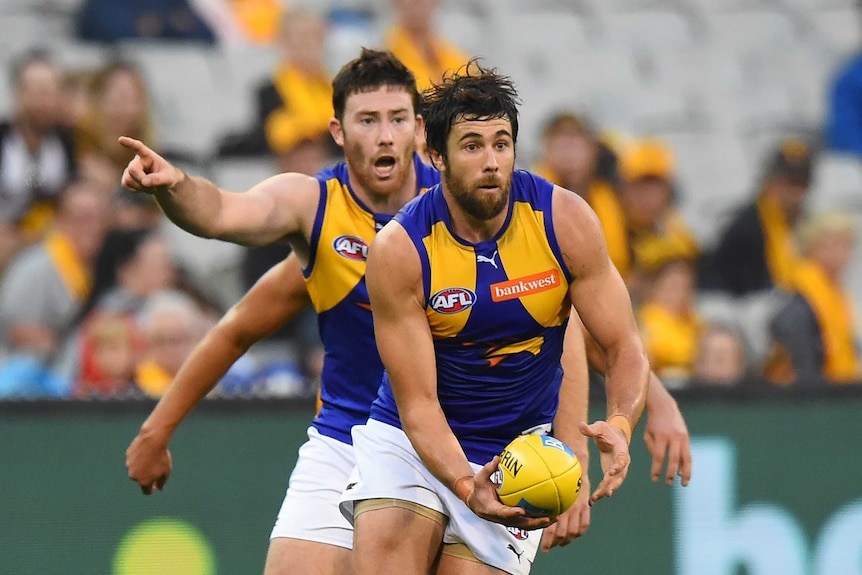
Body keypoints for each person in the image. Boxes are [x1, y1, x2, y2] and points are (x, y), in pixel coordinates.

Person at [122, 48, 440, 575]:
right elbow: (224, 215)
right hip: (348, 440)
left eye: (397, 119)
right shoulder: (315, 207)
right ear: (338, 131)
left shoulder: (459, 206)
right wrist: (175, 184)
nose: (385, 135)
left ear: (419, 129)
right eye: (368, 120)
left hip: (456, 446)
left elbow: (555, 310)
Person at [343, 61, 650, 575]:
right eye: (472, 146)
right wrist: (464, 486)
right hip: (409, 442)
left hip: (516, 456)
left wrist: (620, 423)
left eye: (501, 144)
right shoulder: (401, 250)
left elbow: (625, 348)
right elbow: (417, 404)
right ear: (435, 155)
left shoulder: (564, 221)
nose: (491, 161)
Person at [701, 138, 814, 297]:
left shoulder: (800, 223)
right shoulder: (748, 228)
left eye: (803, 184)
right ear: (770, 181)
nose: (795, 193)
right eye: (790, 183)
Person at [765, 212, 861, 385]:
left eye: (846, 245)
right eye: (831, 244)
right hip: (805, 398)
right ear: (810, 248)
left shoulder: (838, 295)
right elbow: (803, 365)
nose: (840, 253)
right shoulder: (799, 299)